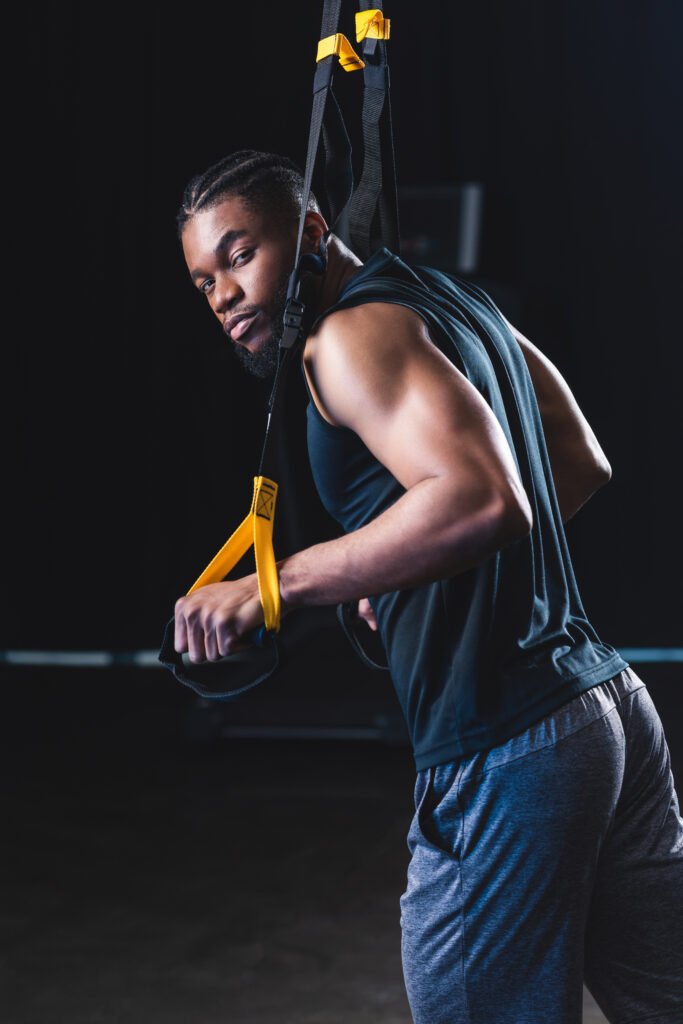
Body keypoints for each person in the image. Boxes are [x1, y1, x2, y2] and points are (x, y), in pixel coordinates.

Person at [172, 150, 683, 1023]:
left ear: (310, 231)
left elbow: (485, 498)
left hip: (507, 743)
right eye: (202, 280)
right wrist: (410, 563)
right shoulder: (452, 301)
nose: (220, 295)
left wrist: (280, 584)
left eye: (238, 254)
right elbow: (575, 461)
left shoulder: (347, 338)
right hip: (605, 712)